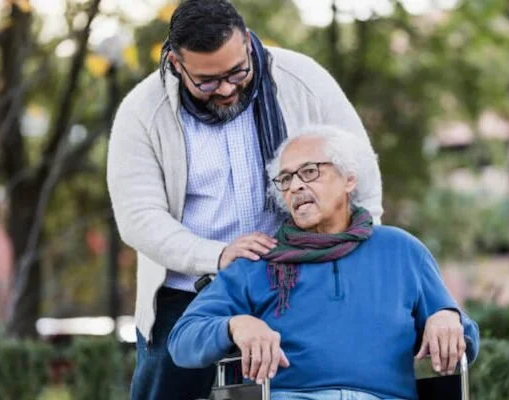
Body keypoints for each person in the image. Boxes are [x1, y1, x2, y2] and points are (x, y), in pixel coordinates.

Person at [106, 0, 383, 398]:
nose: (227, 87)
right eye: (206, 81)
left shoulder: (302, 79)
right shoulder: (141, 112)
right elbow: (139, 217)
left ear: (248, 46)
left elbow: (360, 172)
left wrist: (352, 255)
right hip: (184, 296)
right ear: (175, 63)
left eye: (237, 71)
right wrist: (216, 255)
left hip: (293, 285)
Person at [168, 125, 479, 400]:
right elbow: (182, 340)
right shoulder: (258, 261)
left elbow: (469, 339)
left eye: (310, 171)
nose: (295, 186)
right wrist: (235, 324)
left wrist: (447, 317)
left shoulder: (401, 251)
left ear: (348, 179)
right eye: (286, 179)